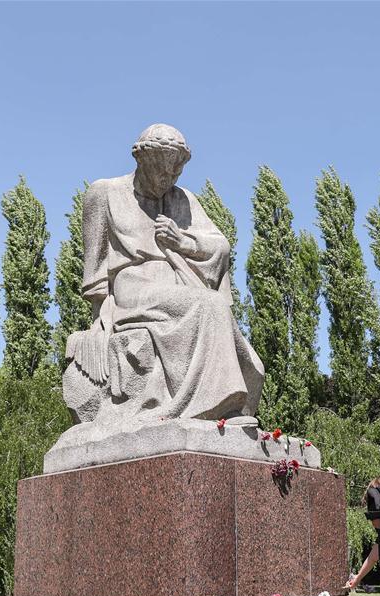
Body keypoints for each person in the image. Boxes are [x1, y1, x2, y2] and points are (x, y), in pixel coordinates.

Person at [63, 123, 264, 425]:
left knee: (211, 307)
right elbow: (95, 267)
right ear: (141, 160)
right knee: (210, 305)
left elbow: (220, 245)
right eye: (161, 171)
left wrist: (183, 241)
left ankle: (218, 403)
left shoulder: (183, 199)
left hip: (177, 284)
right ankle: (220, 406)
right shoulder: (104, 193)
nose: (167, 179)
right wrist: (100, 319)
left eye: (175, 172)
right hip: (133, 286)